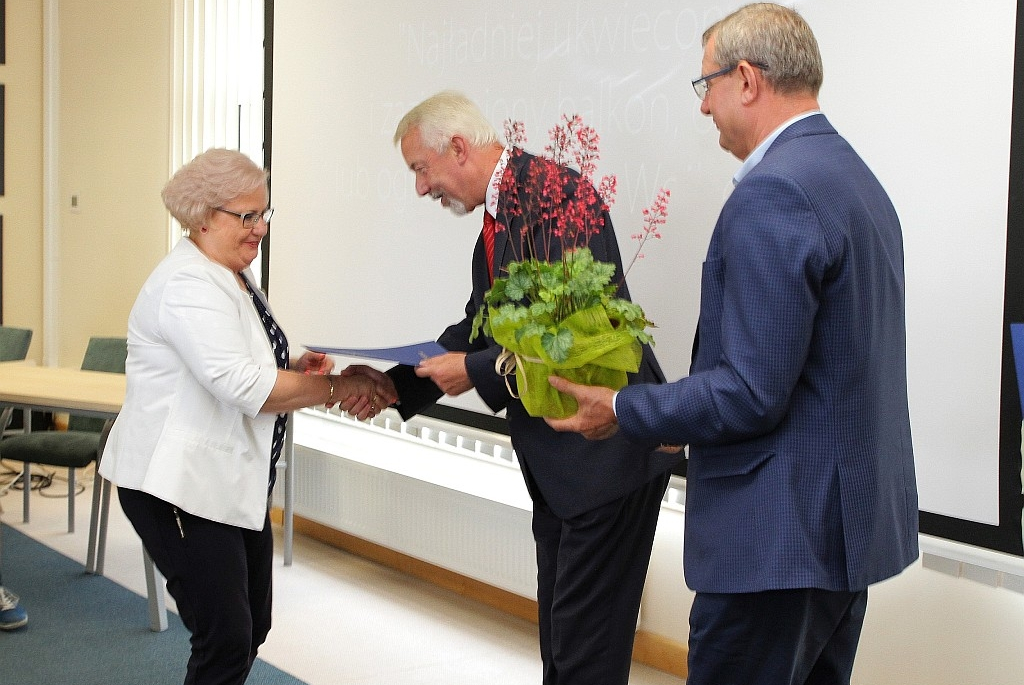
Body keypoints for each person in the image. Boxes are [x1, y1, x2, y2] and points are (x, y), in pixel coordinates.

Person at [545, 4, 919, 684]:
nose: (703, 108)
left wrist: (628, 409)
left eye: (706, 85)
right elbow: (815, 370)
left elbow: (750, 391)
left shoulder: (773, 192)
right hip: (840, 537)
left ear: (746, 79)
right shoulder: (853, 178)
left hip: (776, 544)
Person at [387, 91, 681, 685]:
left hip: (604, 460)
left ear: (459, 148)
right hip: (561, 471)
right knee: (562, 650)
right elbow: (478, 327)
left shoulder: (555, 198)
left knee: (583, 661)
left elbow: (563, 340)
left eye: (421, 169)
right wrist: (393, 385)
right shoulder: (500, 220)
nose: (421, 188)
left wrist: (467, 373)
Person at [99, 148, 397, 685]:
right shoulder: (186, 283)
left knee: (252, 627)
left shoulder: (230, 275)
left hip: (230, 481)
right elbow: (242, 385)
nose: (259, 228)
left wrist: (294, 368)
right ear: (203, 214)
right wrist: (338, 386)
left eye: (264, 214)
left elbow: (245, 362)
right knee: (226, 639)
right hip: (177, 485)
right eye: (247, 216)